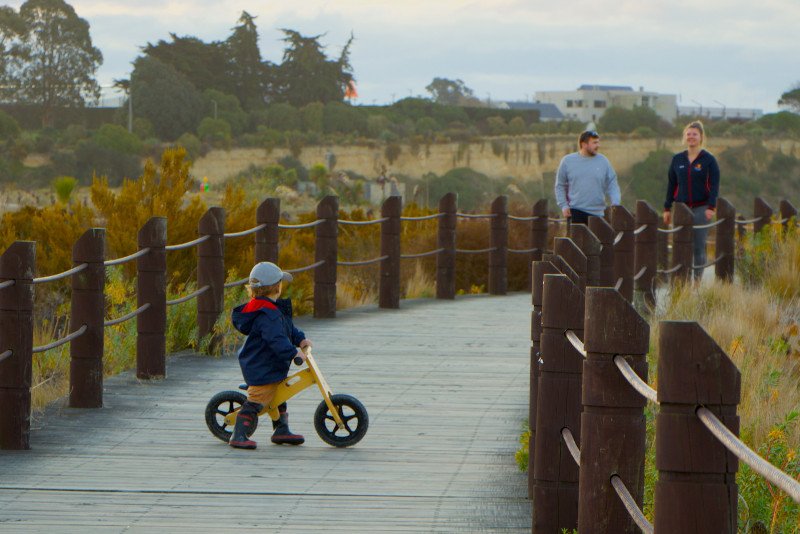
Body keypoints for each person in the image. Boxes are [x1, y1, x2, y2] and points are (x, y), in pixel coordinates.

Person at [228, 261, 312, 450]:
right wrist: (293, 353)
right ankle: (239, 434)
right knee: (259, 399)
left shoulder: (272, 310)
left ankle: (281, 429)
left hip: (269, 364)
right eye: (281, 283)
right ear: (276, 287)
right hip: (261, 367)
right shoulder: (266, 314)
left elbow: (287, 329)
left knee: (280, 394)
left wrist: (300, 340)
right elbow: (276, 340)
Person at [663, 120, 720, 279]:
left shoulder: (709, 160)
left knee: (698, 246)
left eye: (694, 134)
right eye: (688, 134)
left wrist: (711, 206)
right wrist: (667, 208)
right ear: (684, 137)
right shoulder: (677, 159)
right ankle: (681, 280)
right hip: (681, 208)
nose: (691, 137)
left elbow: (714, 185)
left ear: (701, 137)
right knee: (680, 245)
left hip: (701, 208)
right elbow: (672, 184)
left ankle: (697, 282)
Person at [555, 130, 621, 225]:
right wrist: (564, 206)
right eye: (594, 143)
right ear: (584, 144)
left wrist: (615, 202)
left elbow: (612, 183)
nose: (598, 145)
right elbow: (559, 186)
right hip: (575, 212)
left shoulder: (604, 161)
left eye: (598, 142)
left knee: (598, 240)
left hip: (598, 214)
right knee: (577, 240)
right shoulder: (567, 161)